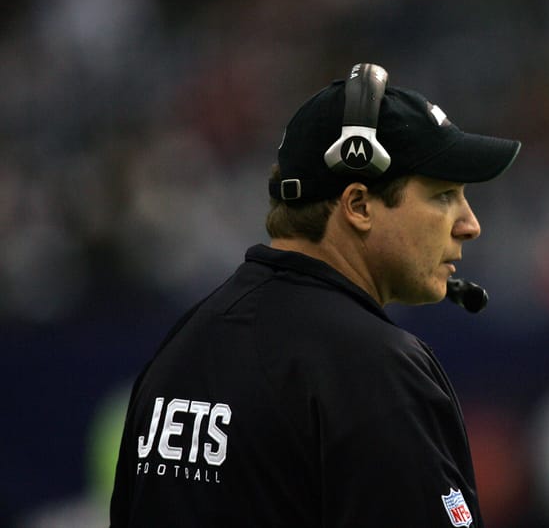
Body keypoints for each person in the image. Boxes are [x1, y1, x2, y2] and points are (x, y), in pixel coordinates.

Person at [109, 63, 521, 527]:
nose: (470, 224)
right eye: (444, 195)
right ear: (359, 205)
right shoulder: (374, 367)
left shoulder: (182, 349)